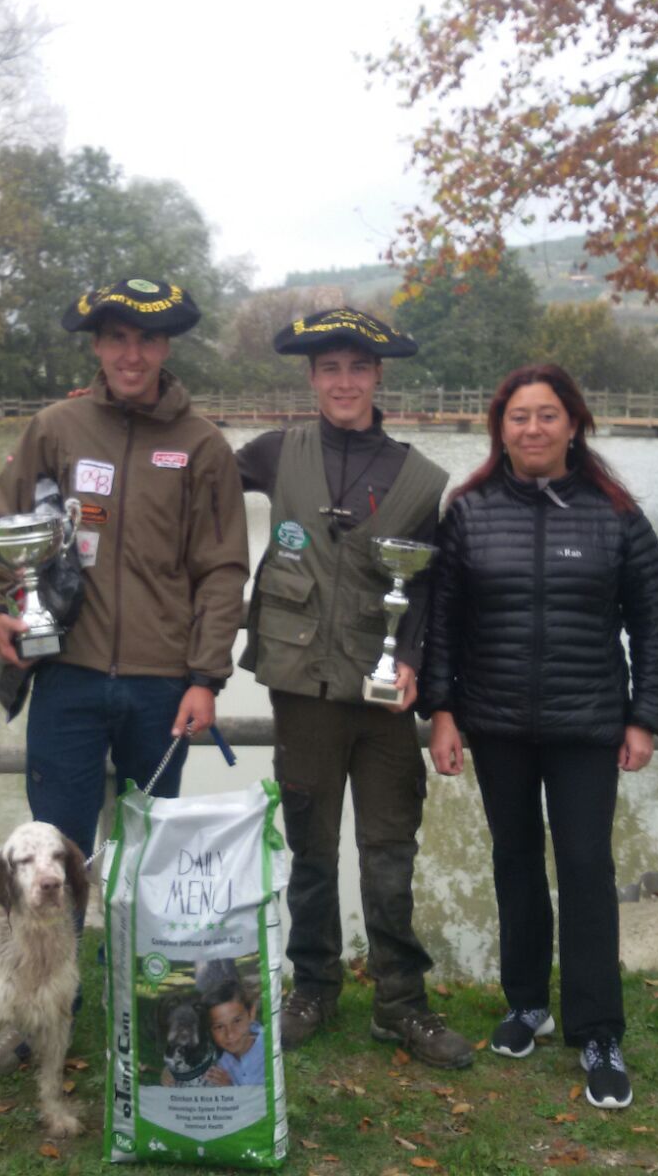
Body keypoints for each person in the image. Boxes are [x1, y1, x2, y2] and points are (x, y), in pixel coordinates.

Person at [421, 363, 658, 1109]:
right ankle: (526, 1001)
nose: (532, 429)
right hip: (495, 722)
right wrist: (441, 710)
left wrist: (644, 716)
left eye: (547, 415)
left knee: (587, 869)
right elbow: (443, 622)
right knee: (515, 861)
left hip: (587, 723)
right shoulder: (468, 511)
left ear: (574, 423)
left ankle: (598, 1030)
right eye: (518, 417)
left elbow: (652, 619)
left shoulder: (616, 512)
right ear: (499, 429)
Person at [236, 307, 471, 1069]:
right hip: (302, 694)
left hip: (383, 705)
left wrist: (411, 658)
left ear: (378, 377)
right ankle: (314, 987)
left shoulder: (423, 479)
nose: (344, 381)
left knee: (388, 854)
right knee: (309, 851)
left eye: (358, 368)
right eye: (330, 367)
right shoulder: (275, 453)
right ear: (311, 378)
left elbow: (431, 591)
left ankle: (401, 1002)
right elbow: (186, 477)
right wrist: (98, 423)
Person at [0, 276, 249, 874]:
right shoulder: (56, 427)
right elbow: (0, 522)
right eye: (117, 338)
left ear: (167, 346)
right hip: (66, 673)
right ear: (96, 346)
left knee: (150, 849)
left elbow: (223, 570)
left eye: (147, 339)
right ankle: (56, 969)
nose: (132, 354)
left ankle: (134, 966)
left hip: (163, 686)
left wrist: (206, 676)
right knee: (53, 853)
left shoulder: (203, 446)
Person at [203, 981, 264, 1087]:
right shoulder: (220, 1061)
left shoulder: (269, 1048)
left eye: (237, 1021)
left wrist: (231, 1089)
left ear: (251, 1014)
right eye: (219, 1027)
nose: (230, 1034)